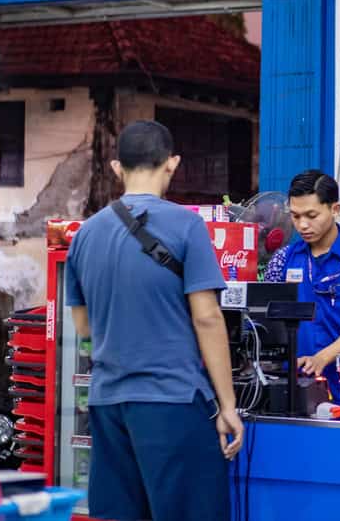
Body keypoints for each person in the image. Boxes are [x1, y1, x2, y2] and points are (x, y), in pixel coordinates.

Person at [65, 120, 244, 521]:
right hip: (172, 402)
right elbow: (208, 319)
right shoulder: (186, 225)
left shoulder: (85, 235)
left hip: (108, 405)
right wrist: (228, 405)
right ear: (172, 164)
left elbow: (84, 328)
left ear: (116, 168)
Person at [264, 170, 340, 403]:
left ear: (335, 209)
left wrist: (322, 358)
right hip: (295, 388)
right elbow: (264, 318)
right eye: (295, 216)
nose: (302, 225)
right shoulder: (283, 259)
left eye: (311, 215)